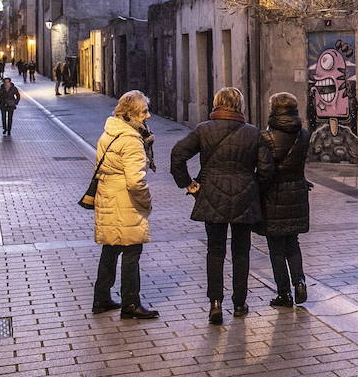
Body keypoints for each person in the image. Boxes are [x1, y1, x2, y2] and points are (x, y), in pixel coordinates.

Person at [170, 87, 272, 324]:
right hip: (244, 197)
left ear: (216, 104)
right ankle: (239, 303)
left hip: (212, 194)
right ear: (240, 106)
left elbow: (177, 155)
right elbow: (266, 169)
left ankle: (215, 303)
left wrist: (190, 185)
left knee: (215, 250)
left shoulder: (204, 130)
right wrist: (253, 187)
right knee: (241, 251)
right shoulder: (252, 133)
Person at [92, 90, 159, 320]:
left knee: (110, 248)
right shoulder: (131, 141)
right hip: (125, 201)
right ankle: (131, 302)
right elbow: (135, 181)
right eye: (144, 112)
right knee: (132, 250)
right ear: (130, 114)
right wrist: (146, 201)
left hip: (108, 196)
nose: (147, 116)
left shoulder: (108, 133)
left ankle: (101, 298)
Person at [259, 92, 312, 307]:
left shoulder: (266, 137)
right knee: (293, 243)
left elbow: (264, 171)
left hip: (274, 195)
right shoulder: (304, 135)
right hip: (297, 192)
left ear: (273, 109)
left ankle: (284, 294)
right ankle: (299, 282)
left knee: (276, 248)